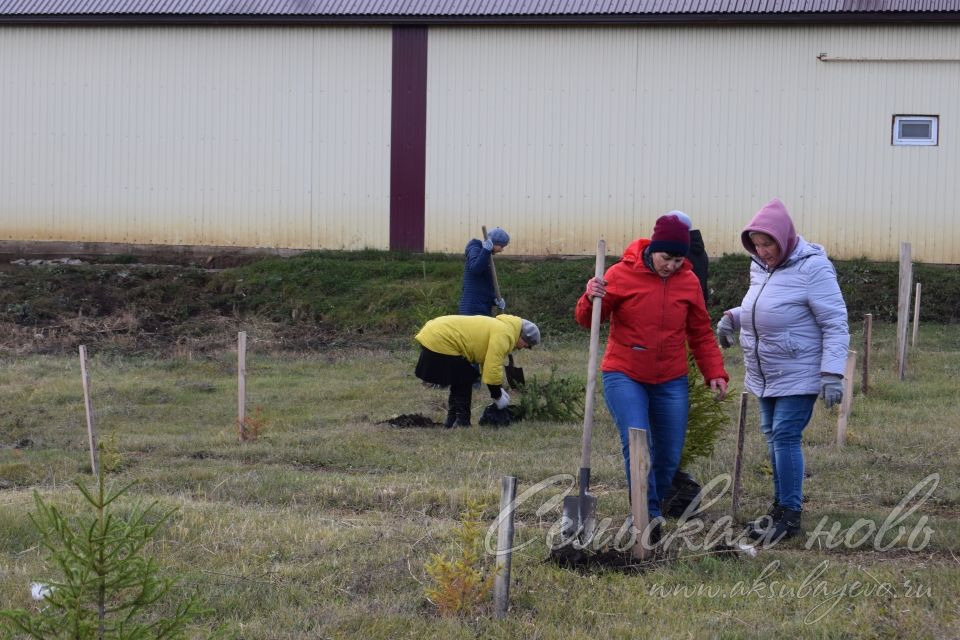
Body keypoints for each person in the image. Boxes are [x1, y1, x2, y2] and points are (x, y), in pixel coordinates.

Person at [574, 213, 729, 533]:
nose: (671, 265)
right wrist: (591, 296)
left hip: (671, 378)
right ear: (652, 249)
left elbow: (700, 332)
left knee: (669, 452)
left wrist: (714, 371)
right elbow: (587, 320)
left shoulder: (689, 282)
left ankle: (652, 509)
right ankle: (645, 515)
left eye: (678, 259)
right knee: (638, 440)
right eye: (666, 257)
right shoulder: (620, 274)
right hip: (624, 373)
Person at [716, 197, 849, 542]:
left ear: (784, 238)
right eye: (756, 245)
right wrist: (733, 317)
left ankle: (790, 517)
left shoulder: (813, 268)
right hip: (764, 371)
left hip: (800, 368)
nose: (762, 251)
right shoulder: (760, 267)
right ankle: (780, 506)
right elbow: (764, 308)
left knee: (786, 436)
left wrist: (832, 373)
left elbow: (835, 322)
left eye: (768, 243)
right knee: (773, 438)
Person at [414, 314, 540, 428]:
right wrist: (497, 396)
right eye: (526, 345)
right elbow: (493, 366)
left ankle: (452, 421)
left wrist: (498, 388)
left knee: (459, 379)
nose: (524, 348)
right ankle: (462, 423)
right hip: (441, 338)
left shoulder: (503, 328)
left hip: (436, 332)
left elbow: (488, 362)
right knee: (464, 379)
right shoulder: (505, 334)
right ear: (523, 338)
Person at [458, 227, 509, 316]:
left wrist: (495, 299)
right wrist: (486, 250)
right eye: (501, 246)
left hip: (482, 308)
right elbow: (475, 269)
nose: (501, 250)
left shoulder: (486, 255)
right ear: (494, 242)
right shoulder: (475, 249)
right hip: (472, 309)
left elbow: (483, 285)